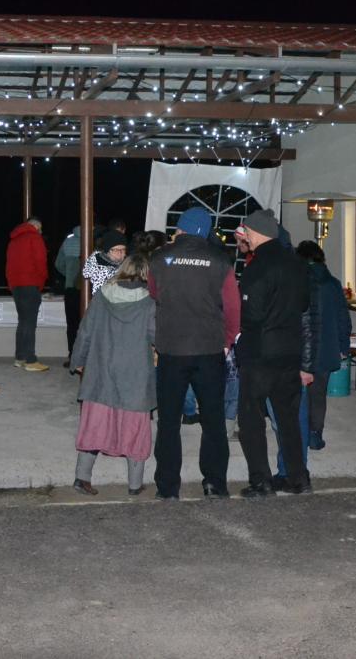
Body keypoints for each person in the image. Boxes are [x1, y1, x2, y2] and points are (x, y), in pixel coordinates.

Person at [147, 207, 239, 500]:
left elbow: (154, 293)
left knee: (169, 421)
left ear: (180, 229)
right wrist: (227, 341)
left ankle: (167, 487)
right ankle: (214, 483)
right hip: (209, 349)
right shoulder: (220, 260)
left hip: (172, 349)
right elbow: (233, 307)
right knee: (213, 420)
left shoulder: (160, 258)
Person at [234, 209, 313, 498]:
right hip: (289, 351)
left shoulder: (257, 267)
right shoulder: (297, 264)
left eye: (247, 233)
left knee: (251, 419)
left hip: (260, 353)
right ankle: (298, 477)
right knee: (288, 418)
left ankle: (261, 481)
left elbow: (251, 314)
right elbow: (303, 305)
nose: (246, 238)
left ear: (255, 233)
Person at [70, 253, 157, 496]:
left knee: (95, 424)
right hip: (135, 375)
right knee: (135, 428)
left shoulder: (101, 297)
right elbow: (157, 336)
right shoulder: (150, 302)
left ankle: (82, 478)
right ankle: (135, 485)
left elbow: (85, 332)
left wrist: (78, 361)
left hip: (101, 371)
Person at [296, 240, 352, 450]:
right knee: (318, 395)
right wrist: (343, 347)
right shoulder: (333, 284)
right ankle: (315, 435)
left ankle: (299, 434)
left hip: (301, 347)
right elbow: (343, 318)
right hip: (327, 347)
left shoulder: (297, 281)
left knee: (298, 395)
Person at [6, 217, 50, 372]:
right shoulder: (35, 237)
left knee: (23, 321)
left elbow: (8, 266)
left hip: (16, 286)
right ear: (36, 226)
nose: (41, 231)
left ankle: (20, 357)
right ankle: (30, 360)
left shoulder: (13, 241)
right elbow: (41, 262)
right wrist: (41, 283)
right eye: (40, 228)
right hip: (30, 285)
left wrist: (12, 285)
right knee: (29, 322)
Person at [54, 225, 83, 366]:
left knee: (72, 325)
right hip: (90, 290)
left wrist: (70, 275)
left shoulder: (68, 241)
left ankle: (73, 356)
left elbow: (58, 264)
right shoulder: (95, 240)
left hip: (71, 288)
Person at [82, 229, 128, 294]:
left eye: (123, 249)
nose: (120, 253)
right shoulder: (97, 268)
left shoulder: (128, 265)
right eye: (116, 250)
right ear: (107, 251)